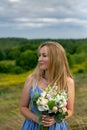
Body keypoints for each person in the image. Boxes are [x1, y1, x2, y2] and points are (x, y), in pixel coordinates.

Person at [20, 41, 75, 130]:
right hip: (32, 126)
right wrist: (36, 118)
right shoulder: (31, 79)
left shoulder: (68, 82)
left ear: (56, 58)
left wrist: (56, 119)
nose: (39, 59)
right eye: (39, 55)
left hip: (57, 127)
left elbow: (70, 110)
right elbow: (23, 107)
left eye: (44, 56)